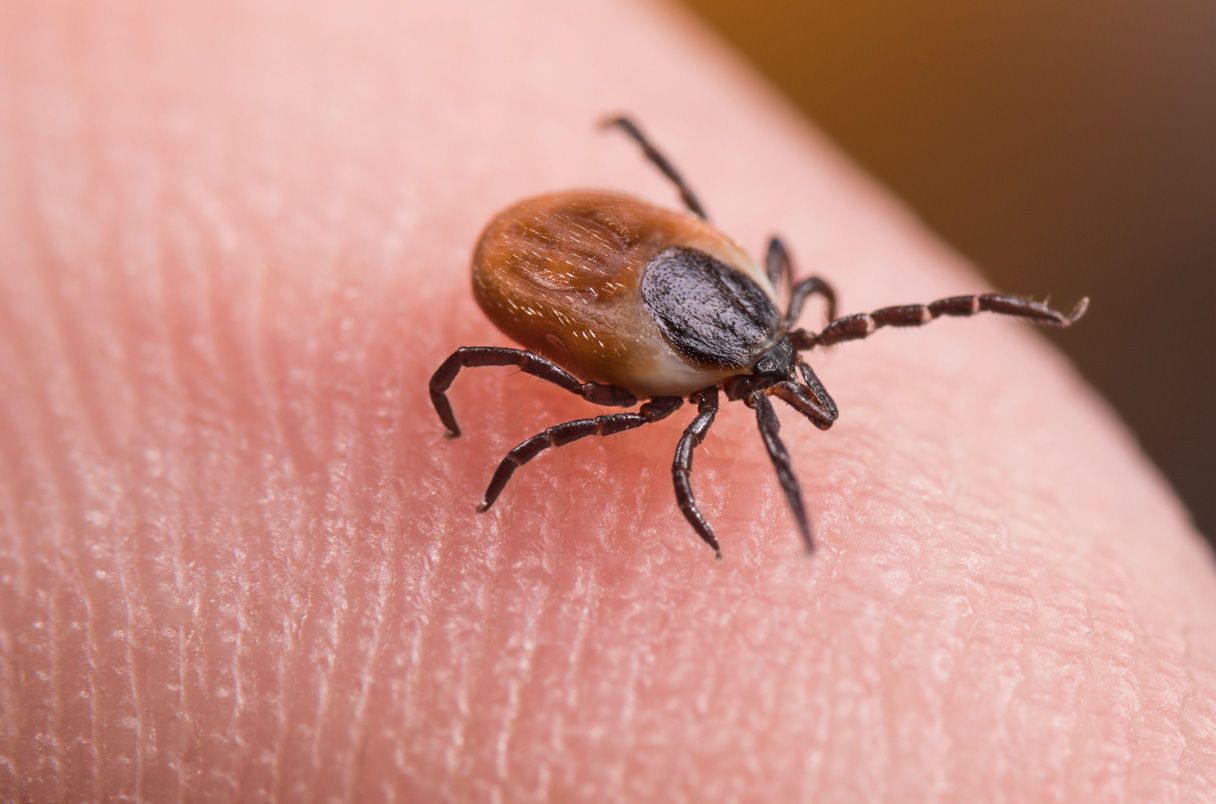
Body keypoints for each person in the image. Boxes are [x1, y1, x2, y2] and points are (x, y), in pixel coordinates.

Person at [1, 1, 1212, 800]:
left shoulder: (755, 319)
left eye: (790, 354)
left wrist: (772, 338)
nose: (797, 378)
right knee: (588, 417)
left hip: (618, 272)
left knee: (606, 406)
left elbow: (755, 273)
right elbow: (662, 398)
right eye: (781, 368)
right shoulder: (706, 371)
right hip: (556, 272)